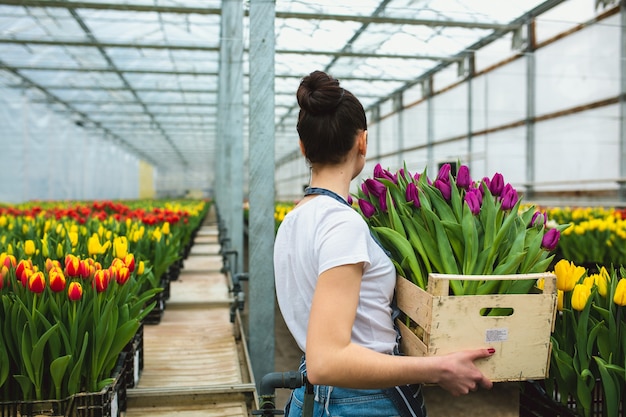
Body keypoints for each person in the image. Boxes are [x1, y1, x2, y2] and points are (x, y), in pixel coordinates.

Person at [273, 70, 495, 417]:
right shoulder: (341, 223)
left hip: (317, 400)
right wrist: (437, 368)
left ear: (303, 147)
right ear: (362, 142)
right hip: (359, 402)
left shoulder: (293, 220)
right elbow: (327, 360)